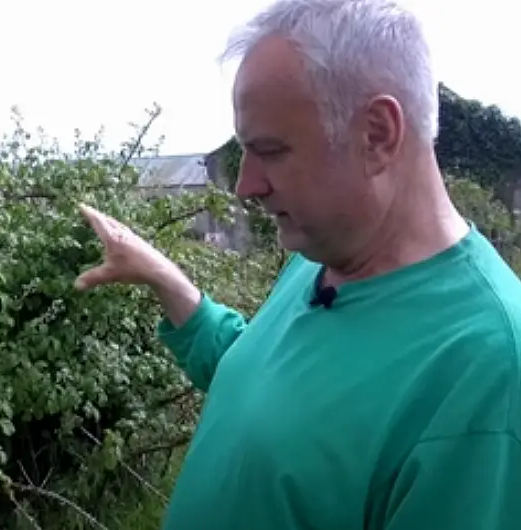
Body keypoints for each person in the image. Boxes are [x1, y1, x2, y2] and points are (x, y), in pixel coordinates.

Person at [75, 0, 521, 529]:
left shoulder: (488, 369)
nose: (246, 185)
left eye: (271, 150)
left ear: (377, 134)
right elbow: (270, 383)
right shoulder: (320, 259)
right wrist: (161, 274)